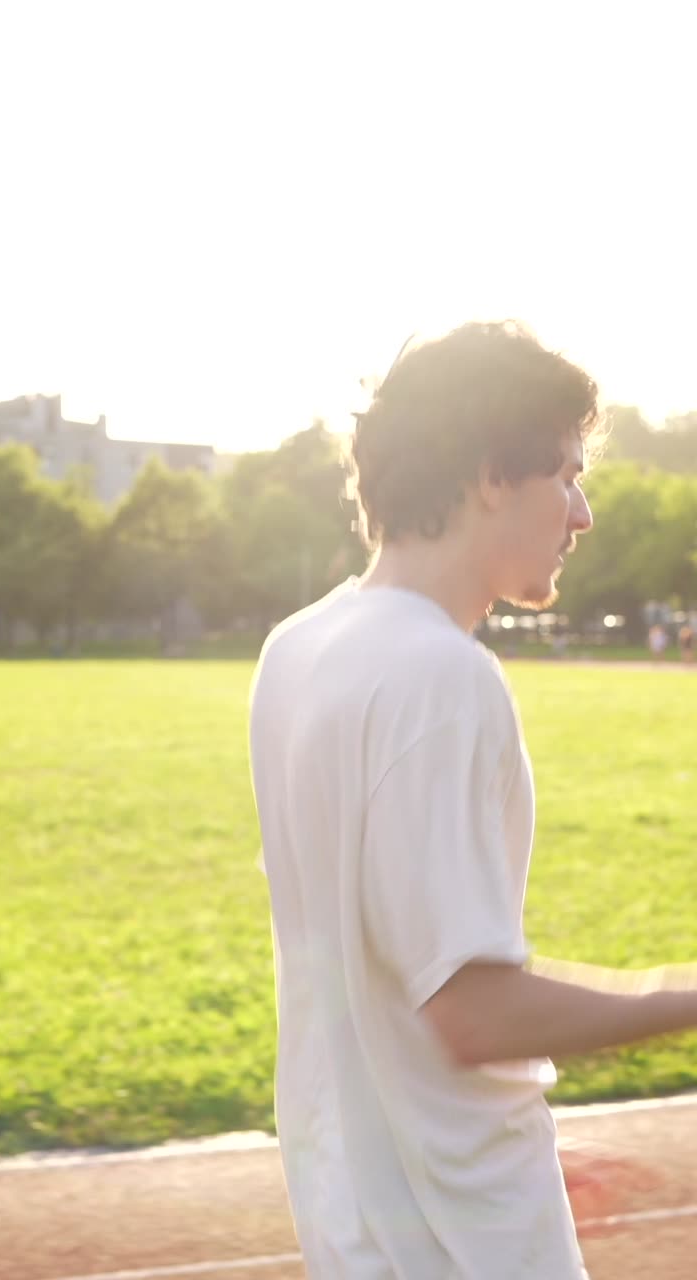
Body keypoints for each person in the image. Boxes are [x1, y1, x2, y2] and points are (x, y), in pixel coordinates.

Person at [248, 321, 697, 1279]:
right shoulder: (443, 677)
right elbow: (473, 1012)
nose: (582, 513)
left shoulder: (297, 648)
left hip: (357, 1217)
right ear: (493, 475)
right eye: (567, 474)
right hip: (469, 1239)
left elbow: (375, 970)